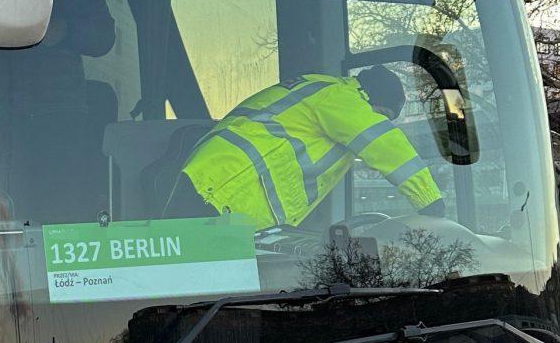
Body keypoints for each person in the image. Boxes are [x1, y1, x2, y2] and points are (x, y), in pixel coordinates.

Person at [166, 66, 445, 228]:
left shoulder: (321, 88)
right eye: (382, 114)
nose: (379, 121)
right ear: (371, 98)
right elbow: (387, 145)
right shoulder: (343, 98)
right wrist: (430, 202)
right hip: (222, 189)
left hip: (217, 184)